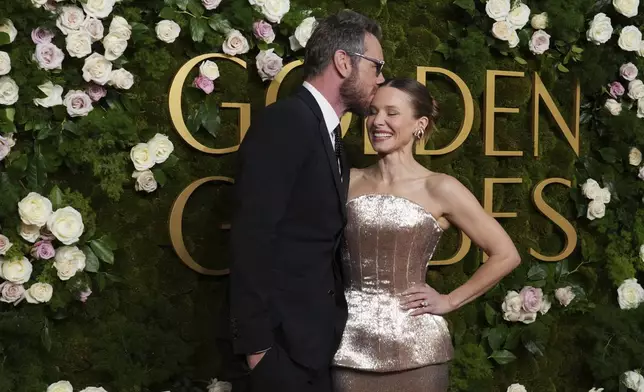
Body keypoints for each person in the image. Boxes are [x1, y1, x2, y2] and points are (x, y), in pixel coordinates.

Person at [228, 10, 385, 392]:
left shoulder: (330, 137)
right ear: (344, 62)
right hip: (280, 351)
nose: (380, 78)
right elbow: (252, 237)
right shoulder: (286, 122)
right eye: (376, 66)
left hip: (314, 346)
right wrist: (258, 349)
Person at [331, 78, 522, 391]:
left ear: (419, 125)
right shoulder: (345, 180)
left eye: (392, 113)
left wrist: (449, 300)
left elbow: (506, 254)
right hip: (347, 346)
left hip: (418, 351)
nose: (378, 121)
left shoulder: (440, 188)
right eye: (373, 111)